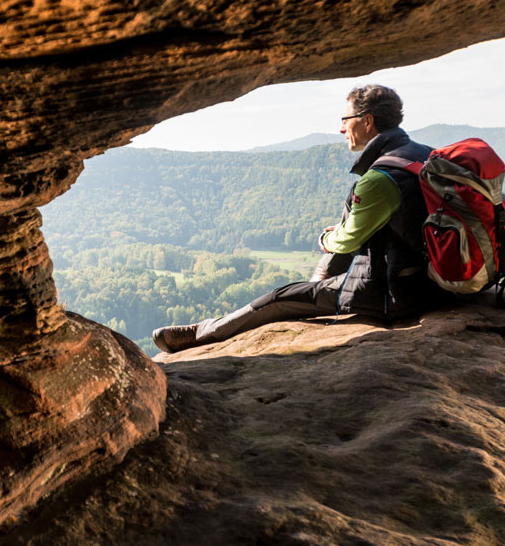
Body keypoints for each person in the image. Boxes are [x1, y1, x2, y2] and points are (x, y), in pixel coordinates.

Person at [151, 84, 446, 354]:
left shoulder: (379, 177)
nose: (341, 129)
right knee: (353, 200)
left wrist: (326, 238)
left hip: (394, 294)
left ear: (367, 121)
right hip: (434, 284)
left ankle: (202, 334)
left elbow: (346, 241)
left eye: (346, 120)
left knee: (279, 298)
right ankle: (317, 286)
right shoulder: (424, 154)